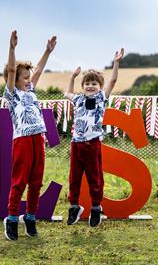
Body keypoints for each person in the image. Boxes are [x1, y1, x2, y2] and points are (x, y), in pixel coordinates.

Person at [3, 30, 56, 241]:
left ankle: (31, 218)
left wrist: (47, 51)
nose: (27, 78)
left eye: (28, 76)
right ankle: (12, 219)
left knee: (36, 182)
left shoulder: (31, 91)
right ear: (14, 79)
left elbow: (40, 69)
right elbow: (13, 69)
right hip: (22, 140)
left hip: (38, 138)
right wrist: (12, 48)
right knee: (19, 182)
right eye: (23, 76)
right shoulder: (11, 94)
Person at [64, 48, 124, 227]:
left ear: (99, 86)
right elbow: (67, 93)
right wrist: (72, 78)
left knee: (94, 177)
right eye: (87, 83)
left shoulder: (101, 98)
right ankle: (74, 207)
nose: (90, 86)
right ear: (83, 86)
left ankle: (96, 208)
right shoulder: (78, 99)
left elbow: (112, 80)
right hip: (77, 144)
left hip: (93, 144)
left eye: (94, 84)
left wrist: (116, 63)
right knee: (74, 177)